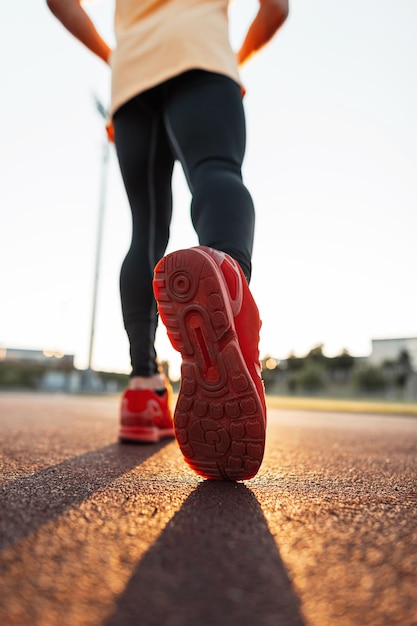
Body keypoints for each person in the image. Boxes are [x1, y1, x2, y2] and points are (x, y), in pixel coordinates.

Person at [46, 0, 289, 481]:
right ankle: (228, 279)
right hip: (202, 55)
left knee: (146, 228)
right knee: (216, 172)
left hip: (132, 78)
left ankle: (143, 388)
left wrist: (115, 55)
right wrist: (236, 54)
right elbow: (276, 9)